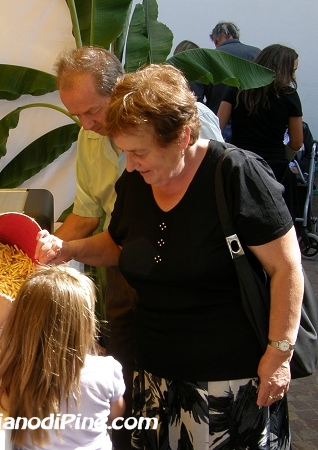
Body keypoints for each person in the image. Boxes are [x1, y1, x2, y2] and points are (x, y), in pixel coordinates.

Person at [36, 63, 303, 448]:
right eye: (125, 152)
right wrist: (69, 249)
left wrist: (279, 354)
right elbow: (118, 244)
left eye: (139, 152)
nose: (130, 164)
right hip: (154, 376)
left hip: (227, 380)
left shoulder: (235, 174)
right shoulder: (137, 180)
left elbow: (287, 267)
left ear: (182, 136)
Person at [52, 46, 223, 449]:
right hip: (123, 263)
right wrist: (46, 249)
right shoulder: (89, 139)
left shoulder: (183, 124)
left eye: (92, 110)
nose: (87, 123)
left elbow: (218, 190)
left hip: (187, 269)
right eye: (75, 114)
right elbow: (87, 215)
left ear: (120, 91)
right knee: (128, 364)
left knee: (186, 374)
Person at [0, 266, 126, 450]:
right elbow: (116, 413)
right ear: (86, 323)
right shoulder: (106, 370)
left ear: (20, 321)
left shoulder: (14, 367)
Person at [217, 44, 303, 218]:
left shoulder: (238, 88)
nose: (293, 76)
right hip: (273, 166)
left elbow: (217, 126)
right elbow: (297, 141)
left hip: (240, 160)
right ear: (283, 70)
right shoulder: (289, 96)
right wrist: (283, 157)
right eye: (292, 71)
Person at [204, 22, 261, 115]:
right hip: (250, 118)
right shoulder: (256, 53)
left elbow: (197, 93)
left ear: (215, 40)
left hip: (218, 117)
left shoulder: (209, 56)